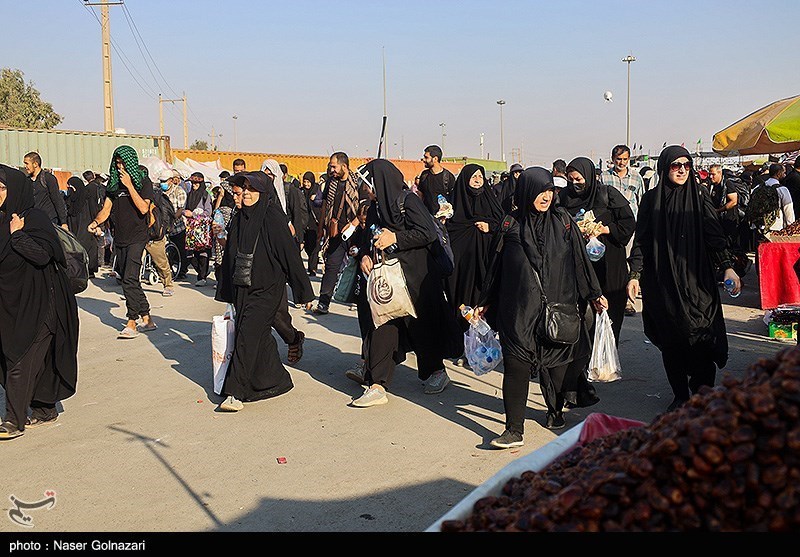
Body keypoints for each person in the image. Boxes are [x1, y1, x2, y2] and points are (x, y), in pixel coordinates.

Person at [479, 167, 606, 447]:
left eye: (550, 190)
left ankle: (554, 409)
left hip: (557, 307)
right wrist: (485, 300)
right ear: (525, 191)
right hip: (519, 310)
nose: (546, 196)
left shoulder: (563, 221)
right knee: (516, 366)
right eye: (540, 190)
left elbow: (580, 261)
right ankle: (514, 429)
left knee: (557, 367)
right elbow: (495, 267)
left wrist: (594, 293)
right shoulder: (510, 224)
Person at [626, 146, 740, 413]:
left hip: (697, 279)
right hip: (662, 283)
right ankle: (679, 394)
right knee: (672, 340)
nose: (681, 170)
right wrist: (634, 275)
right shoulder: (652, 200)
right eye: (675, 165)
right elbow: (641, 241)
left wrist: (728, 267)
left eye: (686, 165)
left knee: (702, 336)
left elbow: (714, 236)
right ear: (664, 168)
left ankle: (702, 392)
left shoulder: (699, 197)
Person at [348, 159, 460, 407]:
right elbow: (371, 235)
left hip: (416, 279)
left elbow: (427, 233)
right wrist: (366, 255)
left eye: (369, 184)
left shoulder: (408, 201)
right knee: (382, 325)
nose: (366, 189)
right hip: (388, 279)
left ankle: (437, 372)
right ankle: (377, 385)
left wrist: (395, 238)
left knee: (422, 329)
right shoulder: (376, 207)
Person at [213, 171, 314, 412]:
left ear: (263, 191)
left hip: (267, 289)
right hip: (243, 287)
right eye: (243, 189)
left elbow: (290, 256)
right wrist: (226, 290)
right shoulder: (239, 217)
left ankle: (234, 393)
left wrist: (304, 293)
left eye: (251, 189)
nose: (246, 194)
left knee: (247, 335)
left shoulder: (272, 218)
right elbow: (230, 257)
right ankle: (275, 379)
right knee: (256, 337)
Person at [0, 164, 79, 439]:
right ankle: (45, 409)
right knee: (34, 359)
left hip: (42, 303)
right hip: (11, 304)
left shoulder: (34, 218)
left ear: (16, 190)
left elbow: (43, 256)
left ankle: (13, 420)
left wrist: (17, 235)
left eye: (0, 188)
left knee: (20, 359)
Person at [561, 157, 636, 347]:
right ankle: (583, 362)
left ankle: (605, 359)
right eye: (571, 180)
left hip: (609, 265)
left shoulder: (607, 194)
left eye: (578, 179)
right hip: (578, 264)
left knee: (609, 314)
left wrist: (605, 229)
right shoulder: (564, 197)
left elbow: (628, 223)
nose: (575, 184)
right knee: (582, 317)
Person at [88, 145, 158, 339]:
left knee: (128, 279)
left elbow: (144, 208)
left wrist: (128, 185)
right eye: (117, 163)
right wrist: (94, 222)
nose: (120, 167)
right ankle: (147, 318)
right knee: (131, 280)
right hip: (121, 238)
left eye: (123, 163)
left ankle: (131, 322)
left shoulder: (143, 182)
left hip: (138, 237)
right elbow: (106, 210)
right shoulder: (113, 186)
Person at [445, 164, 503, 334]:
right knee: (462, 302)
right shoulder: (454, 205)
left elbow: (503, 225)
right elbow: (449, 231)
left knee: (484, 301)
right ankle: (463, 343)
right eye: (473, 177)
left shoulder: (491, 202)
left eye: (480, 176)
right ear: (465, 180)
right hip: (462, 269)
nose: (477, 180)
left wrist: (489, 227)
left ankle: (485, 341)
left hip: (486, 264)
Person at [314, 152, 362, 315]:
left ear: (344, 166)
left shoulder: (358, 183)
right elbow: (326, 206)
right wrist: (322, 228)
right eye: (331, 166)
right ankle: (323, 302)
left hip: (355, 233)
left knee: (360, 266)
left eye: (334, 166)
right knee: (331, 267)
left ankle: (358, 299)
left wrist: (353, 224)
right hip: (335, 233)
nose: (331, 169)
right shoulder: (330, 183)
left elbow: (364, 209)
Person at [604, 145, 644, 317]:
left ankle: (628, 301)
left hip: (631, 228)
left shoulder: (636, 177)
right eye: (618, 159)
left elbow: (642, 201)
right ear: (613, 159)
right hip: (611, 230)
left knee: (629, 263)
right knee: (614, 265)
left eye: (625, 159)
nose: (621, 162)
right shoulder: (605, 177)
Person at [144, 169, 176, 297]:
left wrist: (162, 230)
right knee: (133, 263)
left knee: (161, 262)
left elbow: (167, 215)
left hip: (154, 236)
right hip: (139, 235)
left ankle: (168, 285)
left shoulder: (157, 197)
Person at [65, 176, 101, 277]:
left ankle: (89, 269)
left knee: (86, 245)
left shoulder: (87, 198)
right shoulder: (70, 199)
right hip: (73, 224)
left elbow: (94, 210)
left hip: (86, 223)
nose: (70, 190)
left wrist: (96, 224)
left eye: (71, 188)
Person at [23, 152, 68, 230]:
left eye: (27, 164)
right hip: (34, 221)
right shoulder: (27, 181)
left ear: (35, 164)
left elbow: (57, 199)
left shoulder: (47, 178)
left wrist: (63, 222)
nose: (25, 167)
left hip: (49, 220)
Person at [183, 172, 213, 286]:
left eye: (196, 183)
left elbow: (208, 212)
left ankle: (202, 276)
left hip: (202, 229)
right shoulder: (190, 194)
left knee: (203, 253)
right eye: (193, 182)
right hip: (191, 229)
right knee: (191, 254)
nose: (194, 185)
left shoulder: (205, 195)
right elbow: (186, 208)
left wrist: (194, 215)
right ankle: (201, 273)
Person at [417, 145, 456, 216]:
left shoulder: (448, 177)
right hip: (427, 217)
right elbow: (421, 195)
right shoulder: (424, 175)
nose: (423, 160)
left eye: (426, 157)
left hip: (443, 219)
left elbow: (454, 199)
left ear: (435, 159)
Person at [163, 170, 188, 280]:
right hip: (163, 226)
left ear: (171, 181)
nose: (162, 183)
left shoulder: (179, 191)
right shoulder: (160, 192)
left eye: (164, 181)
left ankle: (181, 271)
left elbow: (180, 209)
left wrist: (172, 220)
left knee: (180, 249)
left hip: (177, 226)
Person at [301, 171, 323, 276]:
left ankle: (312, 268)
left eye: (308, 182)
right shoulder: (301, 192)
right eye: (305, 182)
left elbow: (323, 203)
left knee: (315, 246)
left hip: (315, 223)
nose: (306, 184)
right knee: (308, 247)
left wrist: (316, 200)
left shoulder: (317, 191)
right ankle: (311, 261)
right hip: (304, 222)